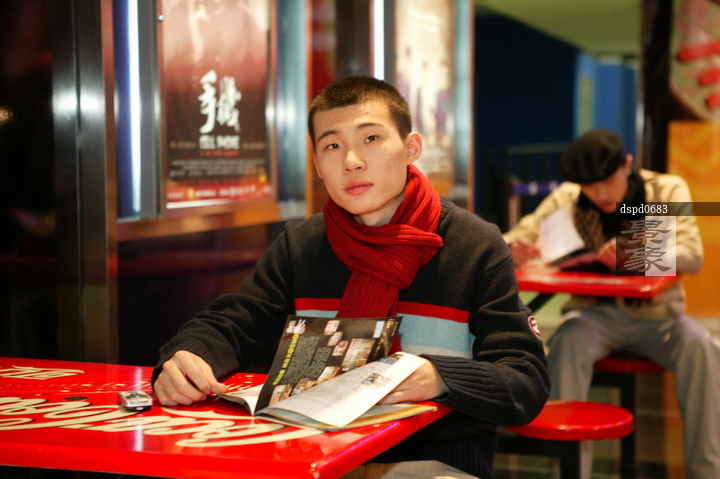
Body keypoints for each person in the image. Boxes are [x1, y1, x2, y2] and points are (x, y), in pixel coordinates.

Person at [153, 75, 550, 479]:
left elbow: (524, 379)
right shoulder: (301, 245)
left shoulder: (473, 244)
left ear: (411, 148)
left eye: (371, 138)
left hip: (432, 461)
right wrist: (189, 356)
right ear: (317, 166)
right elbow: (232, 324)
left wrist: (438, 377)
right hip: (311, 453)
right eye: (332, 146)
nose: (352, 161)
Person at [503, 129, 720, 479]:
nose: (601, 194)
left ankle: (707, 472)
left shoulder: (664, 191)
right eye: (590, 186)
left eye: (607, 181)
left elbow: (692, 255)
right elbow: (515, 237)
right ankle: (571, 470)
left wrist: (632, 257)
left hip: (661, 318)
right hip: (594, 316)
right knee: (568, 339)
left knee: (703, 348)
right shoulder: (569, 197)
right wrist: (514, 248)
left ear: (627, 164)